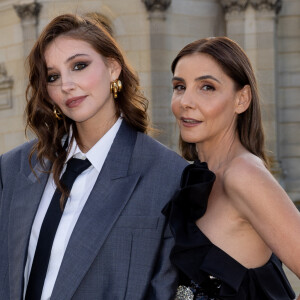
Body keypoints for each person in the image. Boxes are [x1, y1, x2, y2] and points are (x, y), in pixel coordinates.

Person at [0, 14, 187, 300]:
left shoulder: (168, 175)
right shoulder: (13, 168)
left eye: (79, 66)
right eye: (53, 76)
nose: (66, 85)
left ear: (113, 68)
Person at [163, 37, 300, 299]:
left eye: (207, 87)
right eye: (179, 87)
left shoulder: (243, 174)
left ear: (242, 99)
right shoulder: (199, 176)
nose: (185, 101)